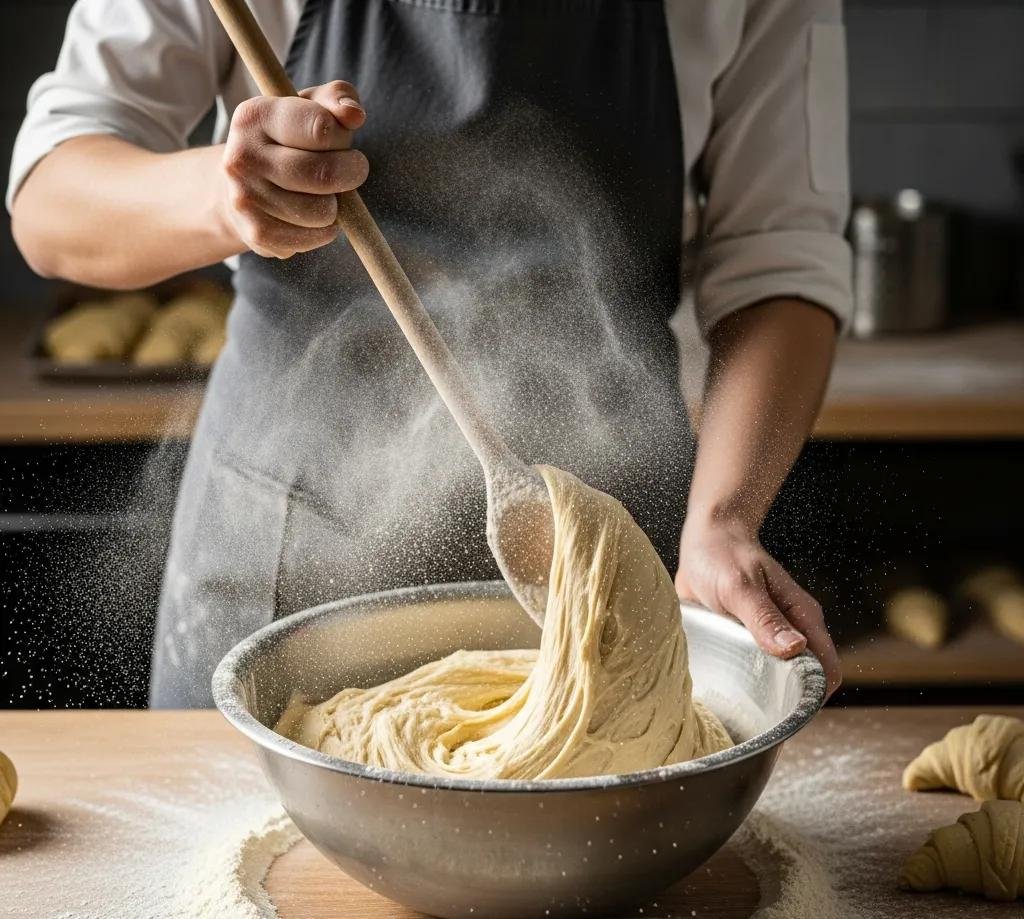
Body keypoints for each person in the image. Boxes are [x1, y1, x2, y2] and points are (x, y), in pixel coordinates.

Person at [10, 0, 850, 708]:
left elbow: (778, 253)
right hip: (285, 533)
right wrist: (224, 196)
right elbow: (50, 201)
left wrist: (723, 519)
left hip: (603, 550)